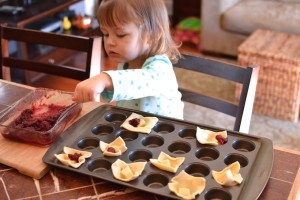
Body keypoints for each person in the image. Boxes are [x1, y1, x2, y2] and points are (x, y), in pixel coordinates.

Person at [73, 0, 184, 119]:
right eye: (106, 34)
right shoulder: (126, 62)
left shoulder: (161, 68)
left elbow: (143, 80)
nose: (110, 42)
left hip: (162, 132)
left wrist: (105, 79)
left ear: (152, 35)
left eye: (120, 34)